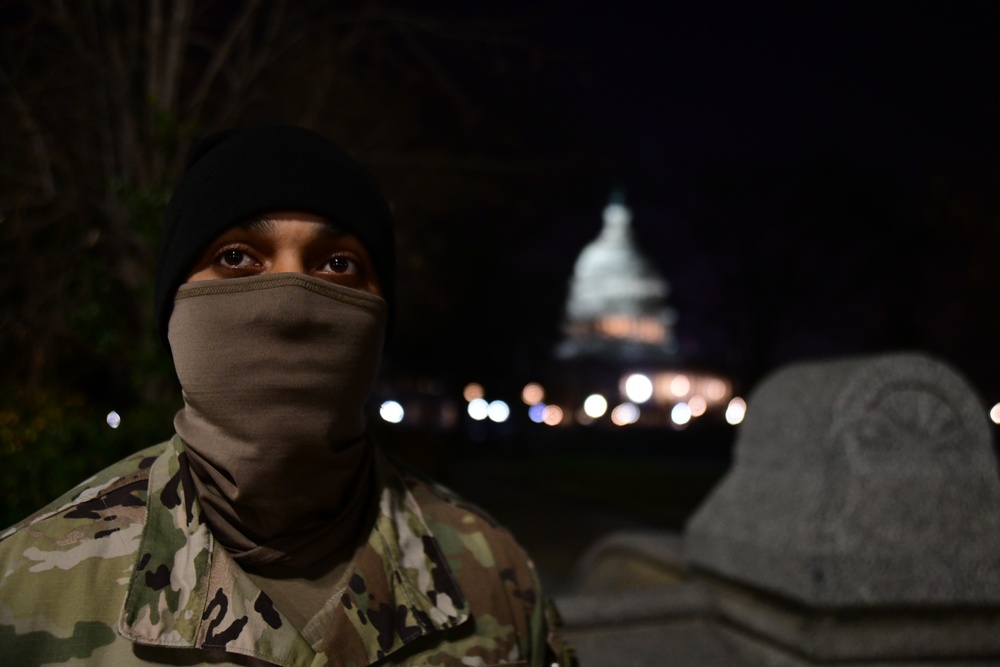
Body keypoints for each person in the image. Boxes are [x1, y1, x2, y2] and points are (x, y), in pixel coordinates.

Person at [0, 125, 576, 666]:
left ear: (382, 322)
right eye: (236, 257)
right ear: (171, 313)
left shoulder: (497, 580)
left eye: (338, 264)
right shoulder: (25, 590)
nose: (292, 301)